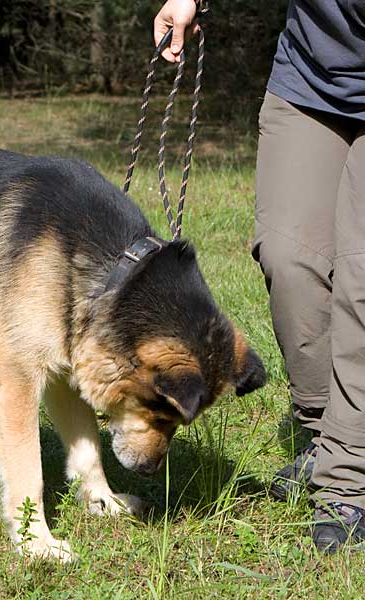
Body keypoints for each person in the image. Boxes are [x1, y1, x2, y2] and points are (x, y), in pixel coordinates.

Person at [154, 0, 365, 553]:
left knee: (361, 276)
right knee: (288, 257)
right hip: (313, 80)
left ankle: (349, 476)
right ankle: (324, 431)